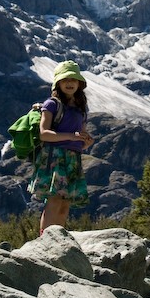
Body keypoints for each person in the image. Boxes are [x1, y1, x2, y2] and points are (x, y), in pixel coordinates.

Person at [29, 60, 95, 233]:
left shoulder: (81, 108)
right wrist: (70, 137)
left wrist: (85, 143)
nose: (70, 83)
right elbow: (44, 133)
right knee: (55, 200)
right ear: (58, 82)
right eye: (66, 79)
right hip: (54, 157)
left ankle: (57, 239)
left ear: (79, 83)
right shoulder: (52, 104)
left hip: (72, 158)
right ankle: (45, 240)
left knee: (65, 203)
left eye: (73, 79)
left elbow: (80, 135)